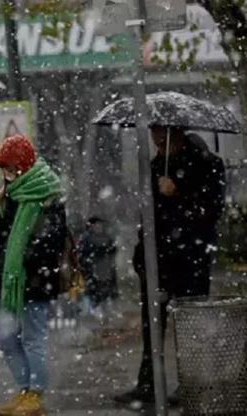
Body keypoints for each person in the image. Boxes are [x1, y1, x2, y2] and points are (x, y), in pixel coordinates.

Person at [114, 127, 226, 408]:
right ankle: (148, 384)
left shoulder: (208, 164)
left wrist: (178, 192)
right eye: (153, 135)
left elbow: (210, 211)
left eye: (161, 135)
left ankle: (190, 384)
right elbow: (149, 216)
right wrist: (141, 256)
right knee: (152, 323)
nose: (156, 141)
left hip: (191, 258)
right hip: (157, 260)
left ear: (175, 133)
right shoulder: (155, 166)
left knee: (190, 325)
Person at [0, 135, 67, 416]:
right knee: (6, 339)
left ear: (25, 164)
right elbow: (9, 235)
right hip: (10, 279)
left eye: (12, 168)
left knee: (32, 338)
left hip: (34, 279)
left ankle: (35, 394)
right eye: (4, 169)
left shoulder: (45, 193)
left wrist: (26, 255)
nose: (8, 174)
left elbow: (52, 239)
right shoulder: (12, 192)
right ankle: (25, 389)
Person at [78, 216, 118, 321]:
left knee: (102, 298)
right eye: (96, 225)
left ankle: (102, 319)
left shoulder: (106, 238)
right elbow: (82, 256)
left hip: (104, 273)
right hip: (94, 274)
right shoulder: (87, 239)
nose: (98, 227)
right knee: (94, 298)